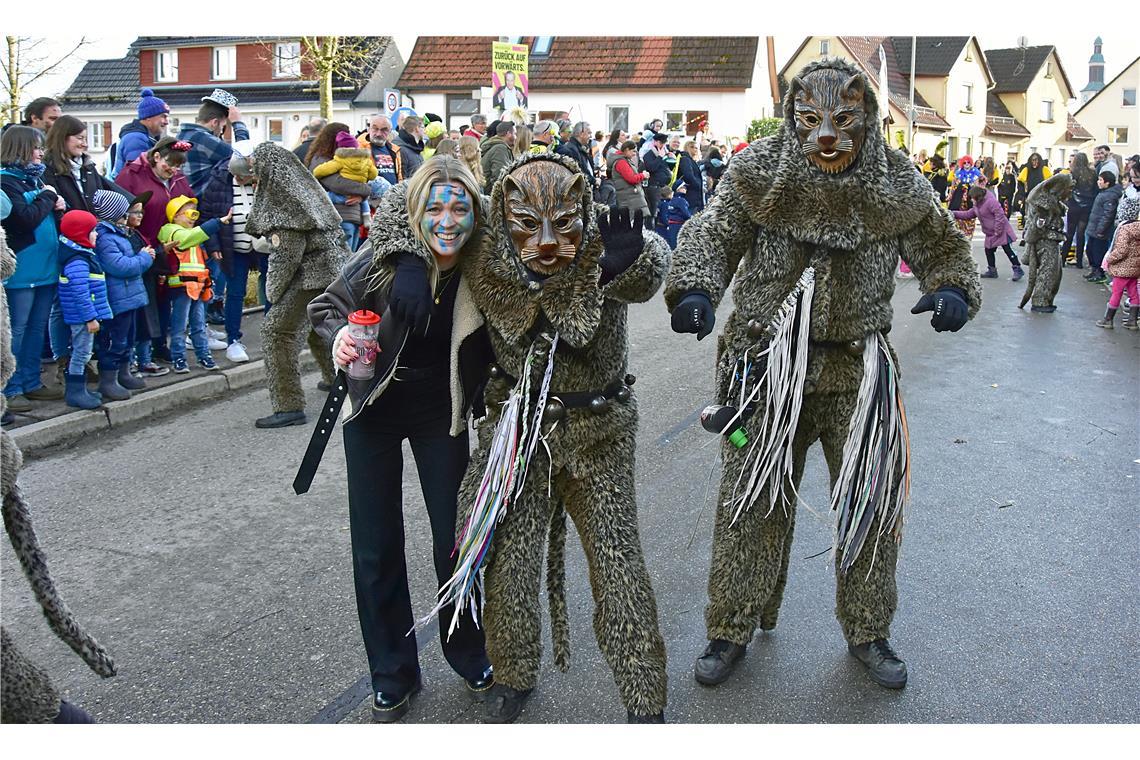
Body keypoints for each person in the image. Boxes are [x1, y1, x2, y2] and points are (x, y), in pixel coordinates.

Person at [666, 59, 980, 692]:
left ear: (865, 120)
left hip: (857, 370)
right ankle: (729, 628)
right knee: (747, 504)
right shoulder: (759, 171)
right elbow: (716, 230)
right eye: (810, 122)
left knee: (872, 501)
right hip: (765, 369)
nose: (827, 137)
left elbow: (941, 242)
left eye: (843, 123)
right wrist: (696, 287)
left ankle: (869, 630)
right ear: (793, 118)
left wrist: (952, 288)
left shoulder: (895, 181)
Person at [308, 155, 495, 723]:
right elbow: (325, 306)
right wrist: (341, 336)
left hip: (443, 407)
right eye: (434, 207)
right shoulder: (384, 260)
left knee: (455, 539)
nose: (447, 220)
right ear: (415, 211)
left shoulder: (485, 264)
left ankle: (468, 652)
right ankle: (392, 672)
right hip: (375, 406)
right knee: (376, 543)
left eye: (459, 207)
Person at [247, 141, 344, 428]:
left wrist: (273, 293)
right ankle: (335, 379)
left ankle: (288, 406)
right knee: (318, 325)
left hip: (310, 276)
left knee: (277, 333)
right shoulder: (307, 193)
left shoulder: (282, 203)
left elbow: (285, 256)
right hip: (332, 270)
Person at [1, 126, 64, 411]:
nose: (41, 153)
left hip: (46, 269)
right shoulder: (6, 182)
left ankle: (31, 382)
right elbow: (23, 219)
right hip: (23, 270)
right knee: (19, 329)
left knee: (37, 329)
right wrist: (49, 197)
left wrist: (53, 201)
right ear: (20, 149)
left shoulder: (36, 182)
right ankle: (11, 388)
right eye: (36, 148)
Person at [199, 144, 264, 363]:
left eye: (244, 176)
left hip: (263, 245)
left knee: (273, 289)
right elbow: (207, 213)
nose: (240, 179)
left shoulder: (265, 182)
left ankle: (273, 334)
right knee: (235, 292)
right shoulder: (218, 182)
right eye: (237, 175)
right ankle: (233, 339)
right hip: (233, 246)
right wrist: (214, 246)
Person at [90, 189, 154, 399]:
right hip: (117, 299)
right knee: (114, 340)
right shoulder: (106, 238)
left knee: (128, 337)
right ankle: (108, 380)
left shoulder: (118, 234)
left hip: (129, 297)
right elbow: (119, 266)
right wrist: (144, 258)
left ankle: (124, 373)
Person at [157, 196, 230, 373]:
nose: (193, 217)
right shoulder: (171, 231)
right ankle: (179, 358)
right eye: (189, 213)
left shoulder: (192, 234)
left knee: (199, 324)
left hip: (199, 287)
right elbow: (188, 238)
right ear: (175, 216)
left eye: (195, 213)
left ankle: (204, 356)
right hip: (181, 288)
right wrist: (217, 222)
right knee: (179, 326)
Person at [56, 210, 112, 408]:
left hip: (85, 316)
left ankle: (81, 390)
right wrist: (90, 318)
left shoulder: (81, 254)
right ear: (81, 233)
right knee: (81, 353)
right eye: (93, 231)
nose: (96, 235)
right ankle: (76, 392)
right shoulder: (78, 261)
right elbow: (80, 293)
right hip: (82, 318)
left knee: (83, 352)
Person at [121, 191, 169, 377]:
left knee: (147, 323)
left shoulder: (137, 234)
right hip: (131, 286)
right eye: (135, 212)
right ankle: (131, 361)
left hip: (145, 284)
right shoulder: (124, 237)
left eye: (141, 212)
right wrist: (154, 253)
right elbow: (134, 259)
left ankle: (145, 359)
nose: (140, 216)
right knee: (133, 326)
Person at [42, 116, 127, 215]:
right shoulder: (47, 168)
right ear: (62, 137)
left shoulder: (88, 166)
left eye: (85, 139)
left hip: (94, 227)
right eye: (80, 138)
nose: (85, 144)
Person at [313, 131, 379, 252]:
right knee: (352, 252)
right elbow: (374, 174)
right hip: (357, 215)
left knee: (343, 252)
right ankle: (367, 217)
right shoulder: (366, 160)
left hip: (342, 214)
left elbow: (318, 172)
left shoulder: (340, 160)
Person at [177, 95, 250, 196]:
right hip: (204, 207)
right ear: (215, 122)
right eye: (222, 127)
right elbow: (243, 160)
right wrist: (238, 124)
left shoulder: (181, 135)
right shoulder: (205, 140)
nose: (221, 132)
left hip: (185, 204)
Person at [954, 185, 1023, 280]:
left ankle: (1018, 269)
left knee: (1008, 250)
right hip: (991, 233)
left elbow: (1000, 215)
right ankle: (992, 270)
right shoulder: (977, 205)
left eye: (972, 198)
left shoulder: (991, 201)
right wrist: (953, 213)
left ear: (978, 197)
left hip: (1001, 231)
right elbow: (968, 214)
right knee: (988, 250)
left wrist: (997, 230)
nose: (971, 200)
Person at [1094, 210, 1140, 328]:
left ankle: (1108, 319)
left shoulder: (1125, 229)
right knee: (1133, 293)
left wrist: (1109, 259)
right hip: (1135, 268)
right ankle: (1132, 321)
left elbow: (1121, 250)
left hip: (1122, 268)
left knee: (1116, 293)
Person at [111, 89, 171, 179]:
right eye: (163, 116)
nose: (166, 122)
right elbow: (138, 177)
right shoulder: (136, 139)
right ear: (148, 117)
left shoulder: (146, 138)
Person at [1085, 171, 1123, 283]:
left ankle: (1099, 272)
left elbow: (1108, 215)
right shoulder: (1103, 193)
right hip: (1094, 228)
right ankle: (1094, 270)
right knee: (1090, 250)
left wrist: (1101, 229)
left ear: (1107, 183)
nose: (1098, 182)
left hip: (1100, 230)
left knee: (1098, 252)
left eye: (1101, 180)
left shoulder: (1110, 196)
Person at [1063, 153, 1098, 268]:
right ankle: (1079, 262)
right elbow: (1095, 189)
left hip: (1074, 205)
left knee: (1070, 232)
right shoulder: (1093, 173)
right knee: (1081, 234)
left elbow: (1068, 188)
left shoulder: (1073, 173)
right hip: (1087, 205)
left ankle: (1063, 258)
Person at [607, 140, 650, 222]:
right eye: (633, 151)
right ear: (626, 150)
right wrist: (643, 175)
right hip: (630, 198)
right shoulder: (621, 162)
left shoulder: (623, 160)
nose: (634, 154)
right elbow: (631, 179)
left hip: (629, 198)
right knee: (634, 223)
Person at [358, 115, 405, 187]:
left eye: (384, 130)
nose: (378, 134)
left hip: (392, 196)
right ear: (368, 129)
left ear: (390, 131)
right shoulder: (358, 149)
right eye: (375, 129)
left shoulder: (395, 150)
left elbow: (399, 177)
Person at [640, 132, 671, 226]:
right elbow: (651, 168)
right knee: (653, 212)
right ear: (655, 142)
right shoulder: (648, 155)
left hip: (662, 187)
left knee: (661, 212)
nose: (662, 145)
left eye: (664, 143)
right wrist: (660, 157)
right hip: (653, 187)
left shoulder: (662, 154)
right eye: (661, 143)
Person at [949, 155, 982, 236]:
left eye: (968, 162)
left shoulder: (976, 173)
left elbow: (978, 187)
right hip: (959, 201)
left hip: (970, 201)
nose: (966, 164)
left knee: (970, 220)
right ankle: (960, 237)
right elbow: (953, 186)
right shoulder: (958, 173)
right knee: (959, 222)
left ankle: (968, 237)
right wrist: (950, 194)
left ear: (971, 163)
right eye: (964, 163)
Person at [479, 121, 515, 193]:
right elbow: (499, 176)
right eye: (515, 134)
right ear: (508, 134)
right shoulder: (500, 148)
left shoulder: (496, 145)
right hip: (490, 195)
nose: (516, 137)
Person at [654, 184, 690, 248]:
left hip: (659, 226)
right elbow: (664, 216)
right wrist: (668, 224)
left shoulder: (660, 203)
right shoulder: (666, 204)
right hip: (664, 228)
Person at [675, 140, 705, 212]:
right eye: (692, 147)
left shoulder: (691, 160)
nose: (695, 149)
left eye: (696, 148)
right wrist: (697, 184)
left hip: (694, 194)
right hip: (690, 194)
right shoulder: (685, 159)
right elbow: (688, 175)